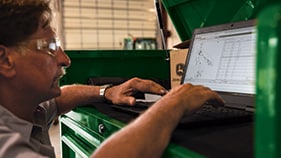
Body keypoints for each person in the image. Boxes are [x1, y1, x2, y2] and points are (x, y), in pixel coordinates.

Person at [0, 0, 224, 158]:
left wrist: (107, 92)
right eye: (49, 47)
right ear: (5, 60)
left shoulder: (25, 108)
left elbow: (61, 99)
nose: (65, 59)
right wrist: (174, 104)